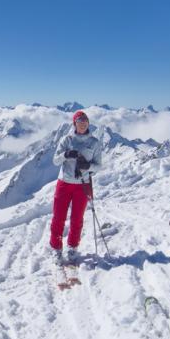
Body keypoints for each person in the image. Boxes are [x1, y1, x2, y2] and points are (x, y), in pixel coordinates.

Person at [50, 110, 102, 264]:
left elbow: (99, 166)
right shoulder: (66, 140)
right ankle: (56, 249)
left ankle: (72, 248)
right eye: (79, 121)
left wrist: (88, 166)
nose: (82, 124)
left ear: (88, 123)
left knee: (77, 219)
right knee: (58, 217)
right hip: (64, 183)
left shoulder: (94, 143)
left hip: (82, 185)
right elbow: (55, 161)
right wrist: (66, 155)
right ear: (74, 124)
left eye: (85, 121)